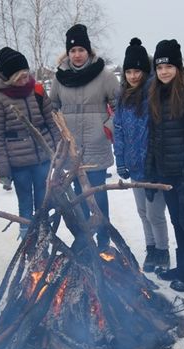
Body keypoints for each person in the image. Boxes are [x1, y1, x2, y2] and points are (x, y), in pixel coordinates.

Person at [49, 24, 119, 251]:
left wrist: (106, 128)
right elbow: (52, 106)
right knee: (78, 195)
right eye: (73, 50)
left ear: (88, 51)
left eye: (81, 49)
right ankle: (84, 238)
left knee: (97, 192)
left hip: (95, 144)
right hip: (71, 147)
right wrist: (60, 131)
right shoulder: (60, 78)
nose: (77, 54)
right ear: (67, 53)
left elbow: (120, 107)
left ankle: (104, 238)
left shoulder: (105, 75)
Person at [145, 39, 184, 292]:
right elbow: (154, 136)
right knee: (176, 221)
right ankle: (183, 266)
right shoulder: (156, 94)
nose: (164, 72)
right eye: (159, 68)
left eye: (169, 66)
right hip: (165, 171)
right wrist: (152, 170)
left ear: (178, 68)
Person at [0, 47, 60, 239]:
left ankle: (45, 238)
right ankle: (28, 242)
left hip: (43, 158)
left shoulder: (36, 90)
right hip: (19, 163)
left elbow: (51, 122)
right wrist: (4, 171)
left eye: (26, 75)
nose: (24, 81)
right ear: (8, 78)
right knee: (26, 204)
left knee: (44, 201)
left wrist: (58, 153)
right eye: (19, 77)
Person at [113, 38, 170, 275]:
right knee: (142, 212)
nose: (133, 76)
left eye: (137, 71)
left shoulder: (153, 94)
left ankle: (163, 251)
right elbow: (118, 129)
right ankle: (151, 248)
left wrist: (154, 162)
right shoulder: (123, 96)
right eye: (129, 71)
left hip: (152, 165)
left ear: (144, 71)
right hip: (134, 165)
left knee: (155, 213)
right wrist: (121, 160)